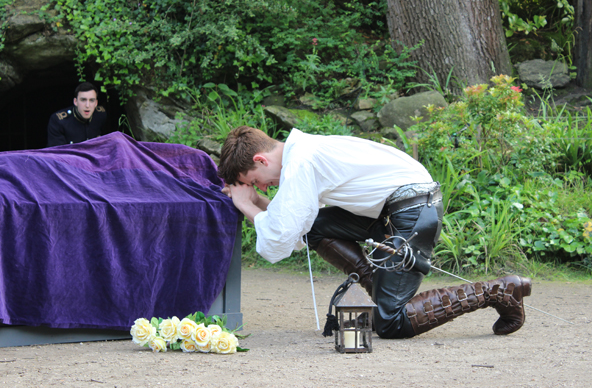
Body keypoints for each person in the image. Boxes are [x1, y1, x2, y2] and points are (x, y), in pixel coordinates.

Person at [218, 126, 531, 339]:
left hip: (411, 210)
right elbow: (295, 221)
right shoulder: (303, 150)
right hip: (392, 210)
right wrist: (252, 201)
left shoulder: (301, 161)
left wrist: (246, 204)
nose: (262, 187)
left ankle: (499, 291)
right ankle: (380, 298)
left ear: (260, 159)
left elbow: (279, 238)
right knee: (315, 227)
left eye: (255, 180)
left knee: (391, 323)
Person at [47, 82, 107, 147]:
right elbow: (57, 151)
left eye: (91, 100)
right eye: (83, 100)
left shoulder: (101, 115)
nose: (87, 105)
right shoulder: (59, 121)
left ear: (96, 103)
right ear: (75, 101)